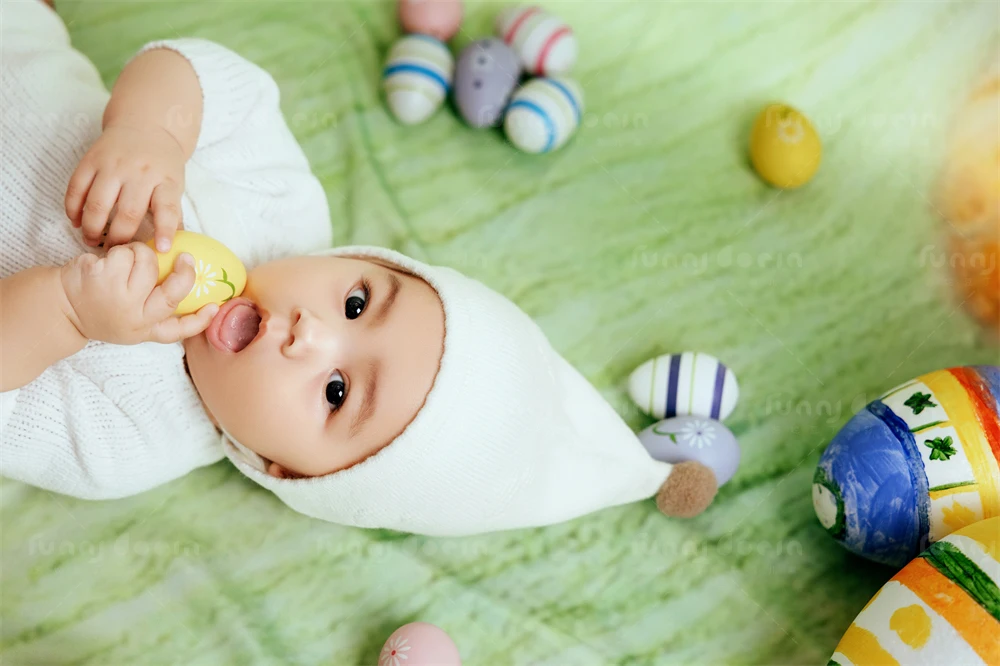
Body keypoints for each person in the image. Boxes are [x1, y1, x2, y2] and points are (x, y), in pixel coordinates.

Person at [0, 0, 717, 536]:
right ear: (358, 261)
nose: (309, 333)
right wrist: (151, 131)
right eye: (356, 303)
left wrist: (64, 313)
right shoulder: (280, 209)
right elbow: (205, 76)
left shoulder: (132, 440)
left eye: (338, 392)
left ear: (278, 467)